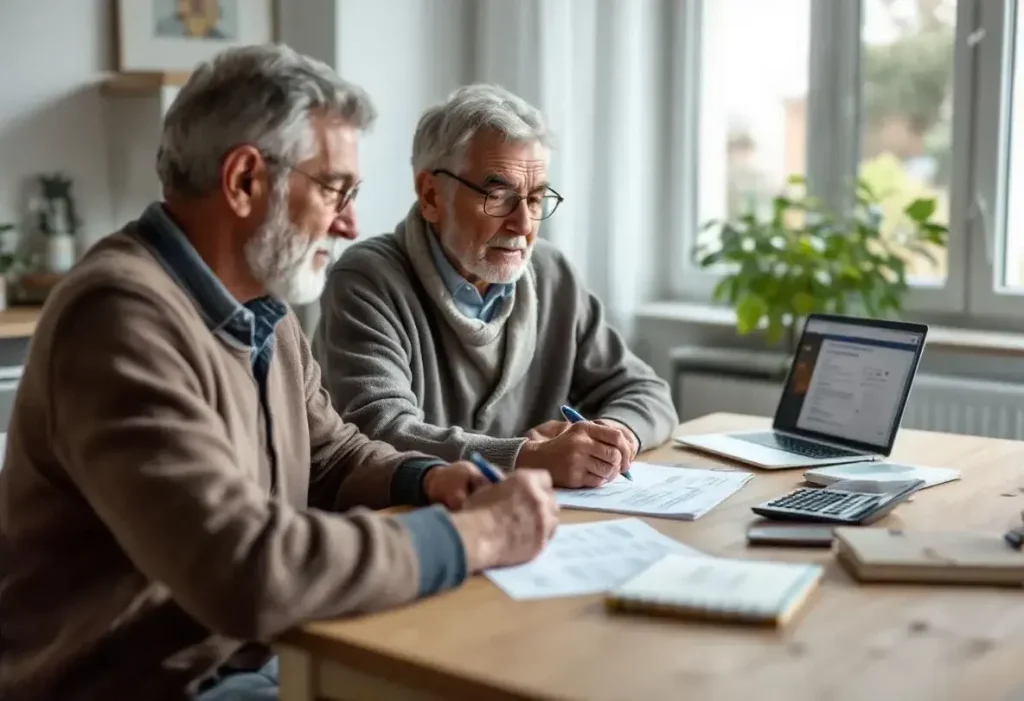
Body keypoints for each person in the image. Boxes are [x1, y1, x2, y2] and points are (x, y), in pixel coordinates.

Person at [0, 46, 559, 701]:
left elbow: (331, 452)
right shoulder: (118, 317)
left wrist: (429, 477)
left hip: (261, 659)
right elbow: (244, 569)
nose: (350, 223)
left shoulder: (263, 302)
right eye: (334, 189)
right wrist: (474, 534)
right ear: (243, 181)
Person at [312, 84, 679, 490]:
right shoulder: (367, 280)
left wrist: (609, 437)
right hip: (406, 528)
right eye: (498, 195)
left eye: (536, 199)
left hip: (530, 526)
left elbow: (646, 391)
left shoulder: (552, 273)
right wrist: (525, 457)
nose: (523, 225)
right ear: (431, 195)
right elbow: (377, 432)